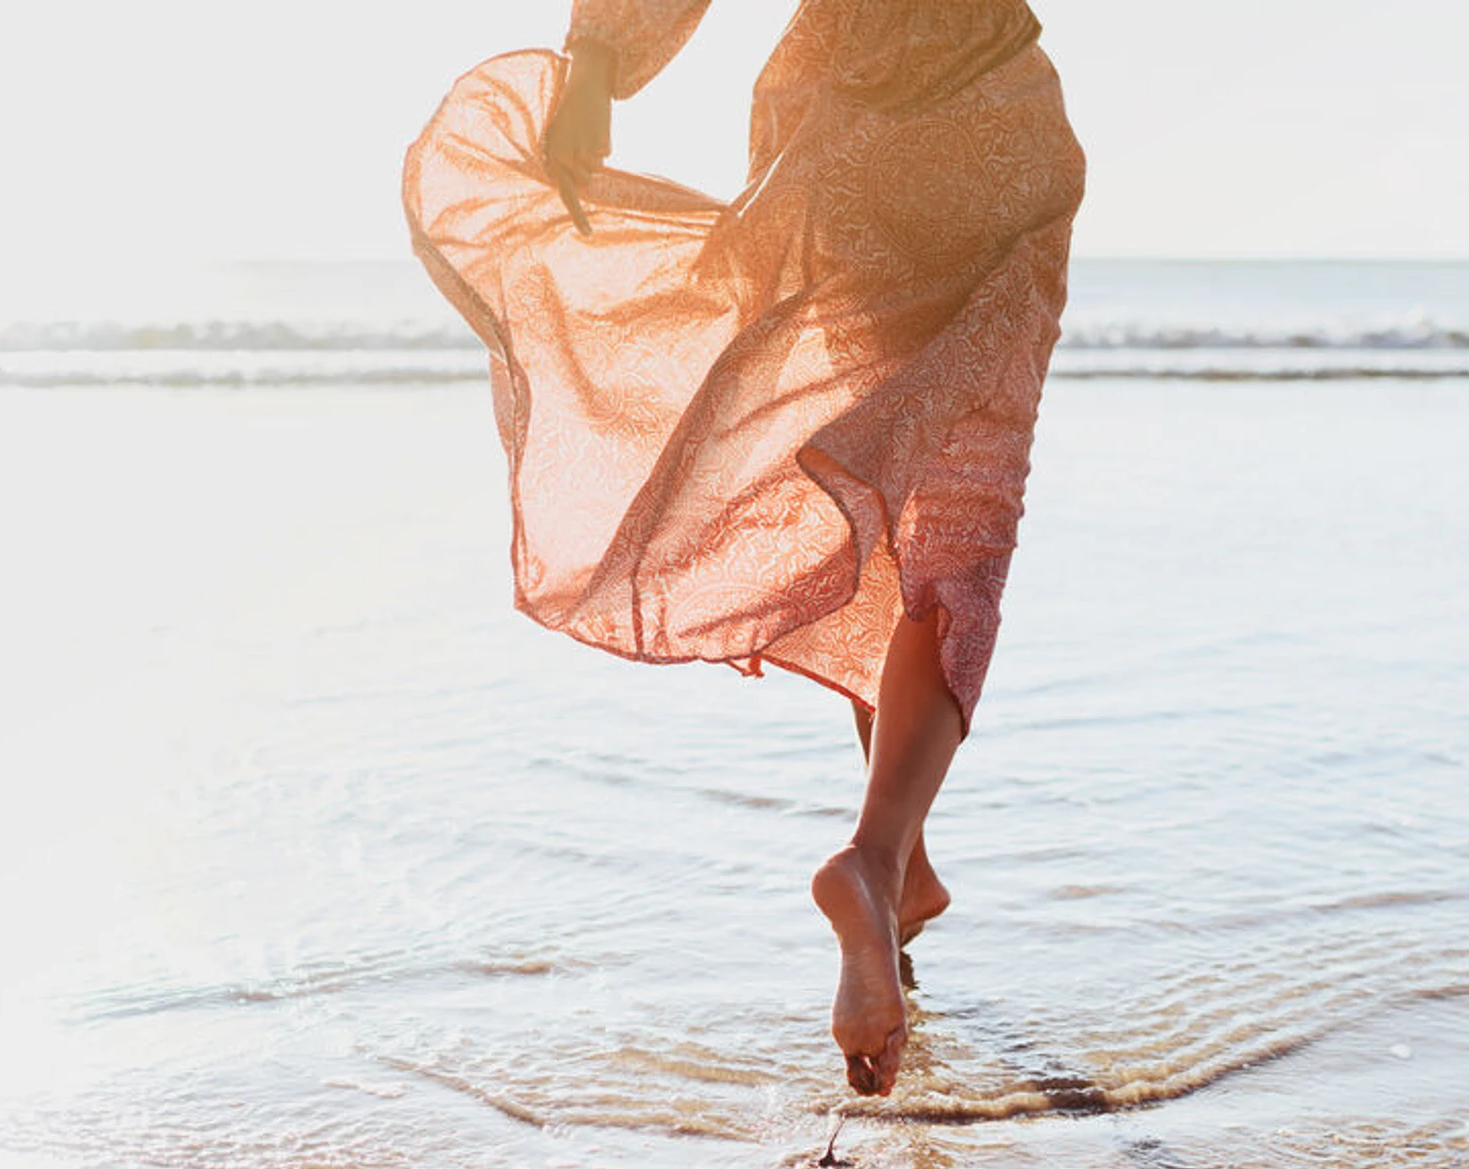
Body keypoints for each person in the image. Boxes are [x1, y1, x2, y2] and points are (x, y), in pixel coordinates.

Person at [404, 0, 1084, 1097]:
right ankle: (873, 856)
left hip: (832, 133)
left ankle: (902, 872)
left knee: (880, 489)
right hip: (990, 118)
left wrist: (597, 64)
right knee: (958, 525)